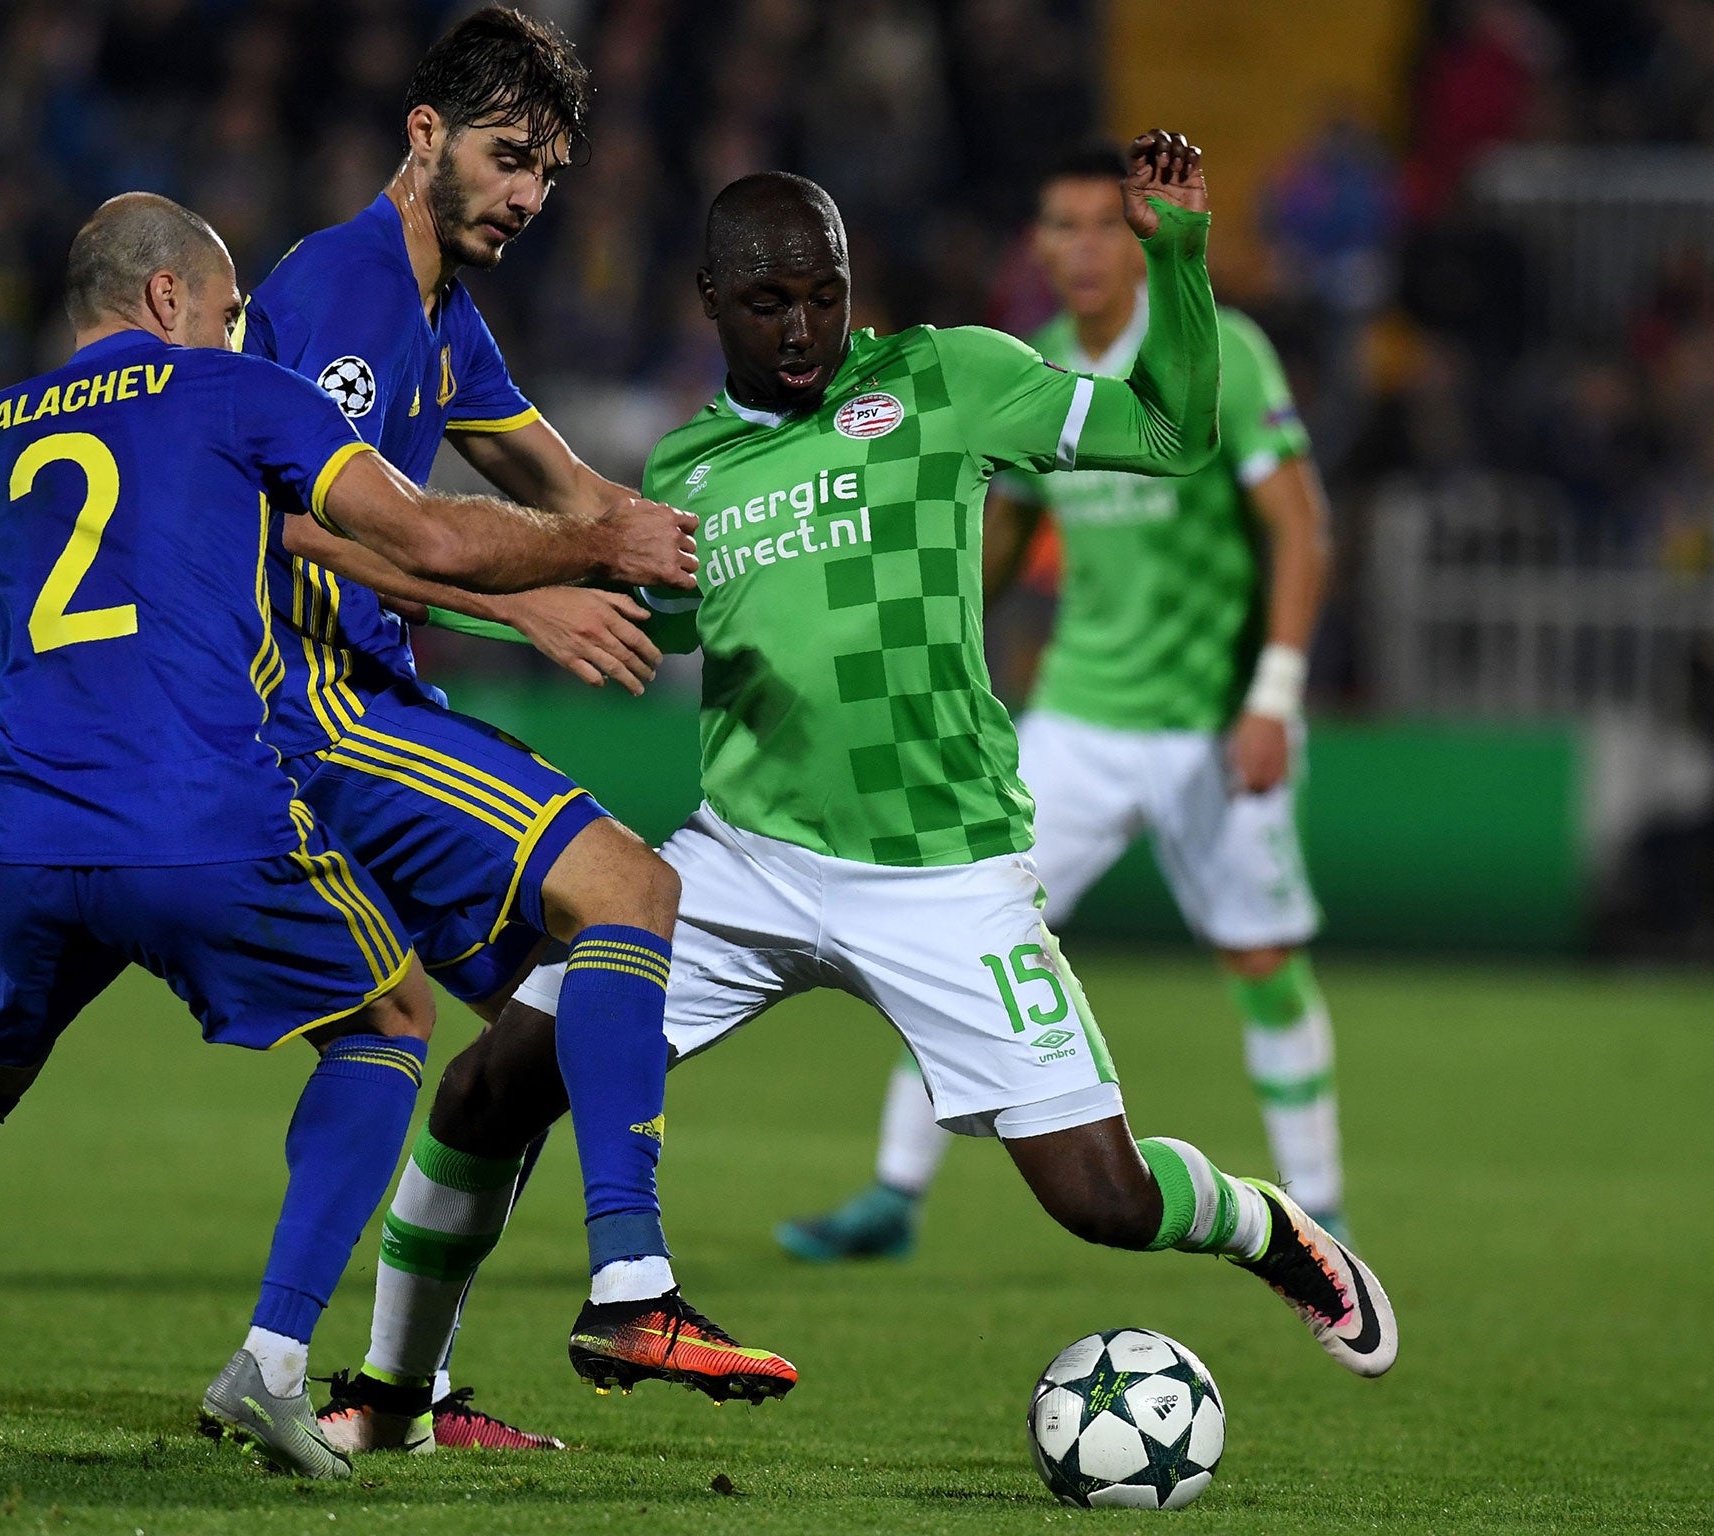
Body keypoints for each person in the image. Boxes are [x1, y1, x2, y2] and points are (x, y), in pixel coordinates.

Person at [321, 135, 1397, 1456]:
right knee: (489, 1088)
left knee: (1101, 1199)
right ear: (709, 300)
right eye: (768, 302)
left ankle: (1269, 1226)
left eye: (824, 294)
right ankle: (391, 1398)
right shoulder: (686, 473)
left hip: (944, 871)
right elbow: (599, 610)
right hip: (745, 862)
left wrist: (1179, 263)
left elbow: (1171, 433)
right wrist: (406, 581)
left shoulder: (948, 378)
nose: (802, 327)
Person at [0, 193, 697, 1478]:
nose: (235, 324)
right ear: (164, 302)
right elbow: (418, 535)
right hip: (199, 809)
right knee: (387, 1024)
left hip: (25, 832)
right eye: (222, 304)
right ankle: (271, 1361)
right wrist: (589, 544)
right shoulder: (232, 392)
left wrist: (13, 813)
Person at [237, 7, 787, 1449]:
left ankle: (390, 1401)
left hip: (371, 695)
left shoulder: (445, 319)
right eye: (506, 157)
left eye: (546, 170)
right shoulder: (348, 287)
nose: (529, 196)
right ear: (422, 138)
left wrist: (764, 515)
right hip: (310, 702)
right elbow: (298, 524)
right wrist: (533, 607)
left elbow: (582, 505)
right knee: (633, 888)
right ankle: (633, 1285)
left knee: (525, 1058)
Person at [780, 142, 1346, 1264]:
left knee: (1260, 960)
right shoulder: (1037, 364)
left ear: (1141, 239)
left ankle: (1317, 1208)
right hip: (1081, 718)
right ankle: (893, 1195)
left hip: (1212, 721)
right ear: (1034, 245)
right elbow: (1008, 531)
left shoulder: (1219, 352)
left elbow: (1299, 527)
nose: (1080, 248)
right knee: (961, 929)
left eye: (1103, 225)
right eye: (1059, 226)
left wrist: (1274, 694)